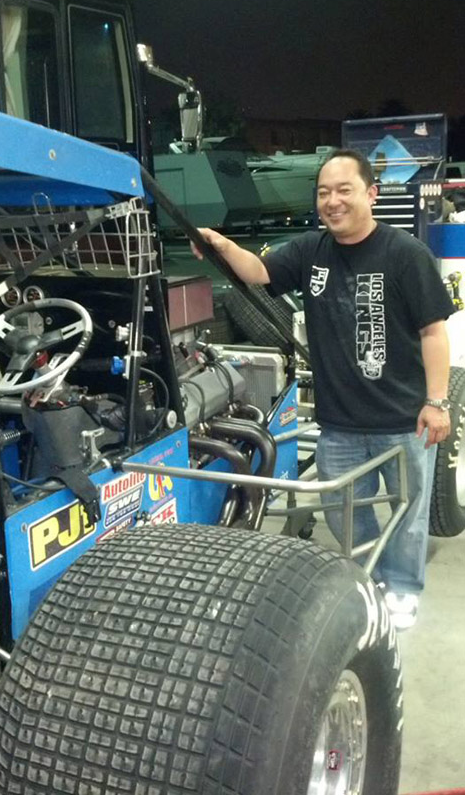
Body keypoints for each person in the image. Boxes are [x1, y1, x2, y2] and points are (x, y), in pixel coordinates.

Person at [192, 148, 454, 629]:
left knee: (408, 512)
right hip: (339, 422)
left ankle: (402, 588)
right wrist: (221, 245)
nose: (332, 201)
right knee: (344, 511)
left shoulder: (405, 254)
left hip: (404, 420)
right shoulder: (310, 251)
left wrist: (437, 403)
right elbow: (258, 272)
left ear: (371, 194)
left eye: (344, 190)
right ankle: (369, 579)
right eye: (324, 192)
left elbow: (433, 333)